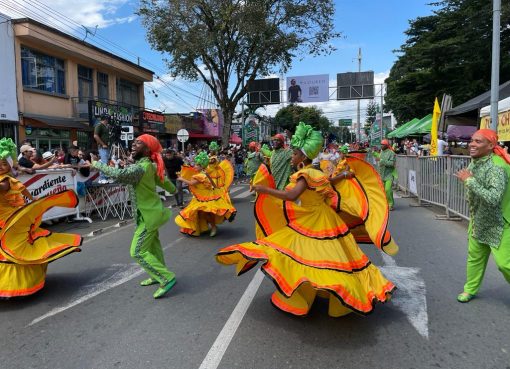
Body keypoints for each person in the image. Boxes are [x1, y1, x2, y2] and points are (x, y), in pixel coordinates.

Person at [216, 122, 395, 317]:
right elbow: (329, 182)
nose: (291, 158)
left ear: (303, 156)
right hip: (326, 220)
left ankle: (308, 297)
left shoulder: (305, 174)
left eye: (294, 154)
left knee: (296, 253)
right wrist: (344, 174)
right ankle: (336, 301)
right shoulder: (318, 173)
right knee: (330, 259)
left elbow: (292, 196)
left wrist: (264, 189)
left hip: (314, 221)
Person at [92, 134, 177, 299]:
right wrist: (174, 189)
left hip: (148, 215)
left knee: (137, 251)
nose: (133, 144)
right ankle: (156, 275)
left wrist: (97, 164)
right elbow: (162, 181)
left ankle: (166, 278)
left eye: (138, 143)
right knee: (153, 247)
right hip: (149, 213)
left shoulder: (140, 168)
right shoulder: (148, 166)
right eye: (134, 142)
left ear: (147, 150)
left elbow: (119, 175)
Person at [0, 138, 82, 298]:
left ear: (10, 165)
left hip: (10, 224)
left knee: (13, 252)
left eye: (3, 163)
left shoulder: (7, 180)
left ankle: (17, 286)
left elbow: (2, 187)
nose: (0, 166)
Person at [454, 129, 510, 303]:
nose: (472, 144)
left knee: (504, 264)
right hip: (479, 221)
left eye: (478, 142)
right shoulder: (475, 163)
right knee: (475, 259)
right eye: (472, 140)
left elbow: (493, 198)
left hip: (499, 224)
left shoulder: (496, 167)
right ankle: (470, 289)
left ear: (491, 145)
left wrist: (469, 181)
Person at [175, 152, 236, 237]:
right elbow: (212, 183)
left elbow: (191, 183)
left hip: (206, 198)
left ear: (201, 166)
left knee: (207, 213)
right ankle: (203, 228)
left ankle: (213, 227)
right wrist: (212, 188)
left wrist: (181, 179)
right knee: (200, 213)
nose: (195, 166)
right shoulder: (205, 173)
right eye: (195, 164)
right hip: (201, 197)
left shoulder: (200, 175)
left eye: (197, 165)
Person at [379, 139, 396, 210]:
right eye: (381, 144)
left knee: (387, 189)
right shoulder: (381, 152)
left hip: (389, 174)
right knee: (384, 191)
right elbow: (379, 161)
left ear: (386, 145)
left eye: (383, 144)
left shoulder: (392, 153)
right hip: (382, 174)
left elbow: (392, 164)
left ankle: (390, 204)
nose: (381, 146)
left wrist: (383, 161)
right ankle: (386, 203)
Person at [93, 114, 111, 184]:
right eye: (108, 119)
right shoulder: (99, 125)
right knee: (104, 162)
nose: (108, 121)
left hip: (107, 147)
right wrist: (103, 144)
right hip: (102, 147)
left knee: (106, 162)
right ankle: (102, 178)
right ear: (105, 119)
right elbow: (95, 136)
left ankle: (105, 177)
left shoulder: (105, 126)